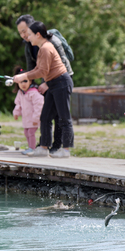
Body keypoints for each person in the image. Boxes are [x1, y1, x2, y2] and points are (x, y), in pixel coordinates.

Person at [13, 21, 74, 158]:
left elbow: (42, 71)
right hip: (53, 83)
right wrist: (21, 76)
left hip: (61, 82)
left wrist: (24, 75)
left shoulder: (46, 48)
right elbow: (36, 69)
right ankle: (44, 147)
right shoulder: (42, 49)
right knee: (45, 116)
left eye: (30, 35)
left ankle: (66, 150)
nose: (27, 37)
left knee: (64, 118)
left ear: (38, 35)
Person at [12, 67, 44, 155]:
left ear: (30, 81)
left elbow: (39, 106)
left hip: (34, 119)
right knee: (26, 132)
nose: (23, 84)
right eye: (20, 82)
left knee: (30, 132)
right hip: (26, 118)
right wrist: (16, 113)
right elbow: (18, 104)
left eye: (25, 81)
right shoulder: (20, 93)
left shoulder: (34, 93)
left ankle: (32, 148)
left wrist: (36, 118)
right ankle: (30, 147)